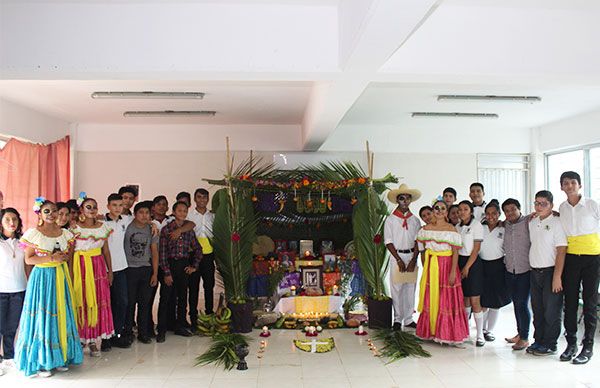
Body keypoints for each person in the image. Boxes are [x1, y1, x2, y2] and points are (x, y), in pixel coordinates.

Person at [16, 199, 83, 377]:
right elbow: (29, 259)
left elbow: (68, 256)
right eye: (47, 211)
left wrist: (62, 257)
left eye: (54, 211)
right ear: (39, 214)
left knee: (61, 314)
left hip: (60, 276)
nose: (52, 214)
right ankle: (42, 361)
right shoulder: (34, 233)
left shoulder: (65, 233)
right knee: (43, 316)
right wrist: (51, 258)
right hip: (43, 278)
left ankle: (59, 357)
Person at [558, 171, 600, 364]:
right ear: (561, 187)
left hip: (593, 257)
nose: (569, 186)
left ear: (580, 185)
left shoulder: (592, 204)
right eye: (565, 183)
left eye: (573, 182)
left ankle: (588, 346)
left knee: (590, 303)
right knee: (571, 302)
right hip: (571, 258)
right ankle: (571, 344)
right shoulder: (563, 207)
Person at [416, 200, 469, 344]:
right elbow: (423, 250)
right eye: (436, 208)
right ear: (433, 211)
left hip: (447, 266)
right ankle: (431, 331)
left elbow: (455, 253)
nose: (439, 211)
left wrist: (453, 272)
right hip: (431, 265)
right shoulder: (425, 229)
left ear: (446, 212)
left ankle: (447, 334)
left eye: (443, 208)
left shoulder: (451, 229)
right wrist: (424, 267)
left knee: (446, 298)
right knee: (431, 296)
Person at [71, 195, 114, 357]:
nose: (92, 210)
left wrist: (110, 271)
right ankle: (81, 339)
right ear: (81, 209)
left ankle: (93, 340)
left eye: (94, 207)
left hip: (98, 269)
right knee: (81, 301)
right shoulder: (74, 228)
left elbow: (106, 251)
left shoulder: (103, 227)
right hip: (80, 268)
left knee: (96, 301)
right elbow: (69, 252)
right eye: (88, 207)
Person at [527, 190, 567, 356]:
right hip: (534, 272)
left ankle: (551, 344)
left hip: (551, 272)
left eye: (543, 203)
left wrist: (557, 277)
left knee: (551, 310)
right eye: (537, 203)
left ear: (551, 205)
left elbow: (562, 250)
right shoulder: (532, 221)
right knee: (538, 309)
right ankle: (539, 340)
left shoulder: (557, 222)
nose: (539, 206)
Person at [157, 201, 203, 342]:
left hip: (184, 266)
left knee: (183, 297)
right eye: (180, 211)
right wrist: (166, 273)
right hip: (170, 265)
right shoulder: (166, 230)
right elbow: (163, 253)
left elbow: (198, 249)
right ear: (174, 212)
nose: (182, 213)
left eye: (185, 211)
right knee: (165, 298)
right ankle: (162, 329)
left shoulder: (188, 230)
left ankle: (180, 325)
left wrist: (194, 266)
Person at [384, 184, 422, 331]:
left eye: (407, 198)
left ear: (411, 201)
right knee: (397, 288)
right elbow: (388, 241)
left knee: (410, 288)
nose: (405, 201)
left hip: (411, 256)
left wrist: (414, 260)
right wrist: (399, 260)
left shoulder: (415, 220)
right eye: (401, 198)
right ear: (397, 201)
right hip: (397, 257)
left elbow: (418, 240)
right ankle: (398, 319)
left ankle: (408, 318)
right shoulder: (391, 220)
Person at [124, 201, 159, 344]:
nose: (144, 216)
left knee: (144, 303)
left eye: (147, 213)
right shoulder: (126, 227)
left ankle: (143, 333)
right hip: (129, 269)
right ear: (135, 214)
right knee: (130, 302)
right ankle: (127, 332)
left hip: (146, 269)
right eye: (141, 213)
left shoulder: (152, 229)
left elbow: (154, 252)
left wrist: (155, 273)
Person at [104, 193, 133, 349]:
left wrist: (153, 224)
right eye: (114, 205)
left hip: (121, 268)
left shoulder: (126, 220)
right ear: (108, 206)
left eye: (120, 205)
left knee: (122, 302)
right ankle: (105, 337)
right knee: (105, 303)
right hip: (104, 269)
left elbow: (143, 221)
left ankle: (117, 333)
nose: (117, 208)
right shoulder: (101, 223)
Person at [502, 198, 532, 351]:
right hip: (510, 270)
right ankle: (519, 334)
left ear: (519, 209)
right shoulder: (505, 225)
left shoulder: (528, 221)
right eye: (506, 211)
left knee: (522, 303)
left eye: (513, 209)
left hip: (525, 270)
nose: (510, 213)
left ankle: (525, 338)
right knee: (516, 303)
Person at [479, 200, 510, 342]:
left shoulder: (504, 229)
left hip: (498, 266)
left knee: (496, 301)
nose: (491, 216)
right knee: (483, 301)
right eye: (488, 213)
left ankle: (489, 331)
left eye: (494, 213)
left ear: (499, 214)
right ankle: (481, 329)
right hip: (482, 266)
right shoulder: (480, 227)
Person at [0, 208, 27, 372]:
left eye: (15, 219)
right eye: (7, 219)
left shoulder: (23, 242)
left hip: (19, 289)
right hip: (1, 290)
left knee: (12, 326)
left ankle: (9, 356)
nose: (12, 223)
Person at [456, 200, 485, 346]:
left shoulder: (476, 225)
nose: (462, 212)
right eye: (460, 209)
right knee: (465, 299)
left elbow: (476, 249)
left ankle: (480, 335)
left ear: (471, 211)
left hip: (472, 264)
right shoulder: (457, 227)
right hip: (459, 262)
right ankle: (466, 332)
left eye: (465, 209)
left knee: (474, 300)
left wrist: (467, 267)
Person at [186, 188, 215, 330]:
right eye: (199, 197)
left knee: (209, 286)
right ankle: (193, 318)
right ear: (195, 199)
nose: (202, 200)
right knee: (193, 287)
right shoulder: (190, 216)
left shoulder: (213, 216)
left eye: (205, 197)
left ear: (208, 199)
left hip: (209, 256)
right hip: (193, 256)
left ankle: (209, 314)